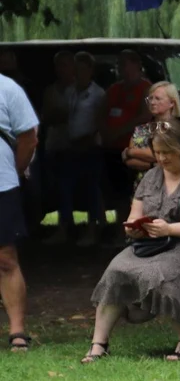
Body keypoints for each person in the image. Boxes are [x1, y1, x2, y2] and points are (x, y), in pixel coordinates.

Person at [82, 122, 180, 362]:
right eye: (157, 152)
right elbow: (134, 215)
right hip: (150, 244)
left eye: (167, 152)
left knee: (156, 274)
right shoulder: (151, 176)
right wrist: (135, 229)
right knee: (115, 269)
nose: (161, 158)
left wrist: (169, 228)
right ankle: (99, 344)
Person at [48, 51, 107, 246]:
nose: (79, 72)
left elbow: (101, 121)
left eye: (83, 68)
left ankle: (92, 230)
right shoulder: (70, 91)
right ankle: (65, 228)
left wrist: (90, 138)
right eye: (76, 68)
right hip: (70, 146)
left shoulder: (98, 93)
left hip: (90, 147)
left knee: (91, 188)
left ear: (90, 70)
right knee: (65, 187)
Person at [0, 74, 38, 352]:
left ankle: (17, 331)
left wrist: (14, 170)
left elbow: (28, 136)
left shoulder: (7, 87)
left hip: (1, 183)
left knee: (5, 258)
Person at [102, 50, 152, 218]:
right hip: (113, 148)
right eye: (119, 65)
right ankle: (120, 226)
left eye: (124, 64)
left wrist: (120, 131)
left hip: (136, 147)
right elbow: (103, 113)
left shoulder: (146, 88)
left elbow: (145, 116)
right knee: (117, 191)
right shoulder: (114, 89)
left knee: (133, 190)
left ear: (137, 65)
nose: (121, 68)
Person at [123, 81, 180, 189]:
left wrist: (131, 152)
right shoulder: (141, 129)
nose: (152, 102)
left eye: (158, 99)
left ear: (172, 103)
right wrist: (154, 163)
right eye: (151, 98)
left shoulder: (177, 130)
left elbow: (168, 157)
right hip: (141, 188)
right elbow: (128, 161)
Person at [41, 51, 76, 204]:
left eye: (64, 65)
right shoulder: (50, 90)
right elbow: (47, 117)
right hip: (54, 145)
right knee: (58, 185)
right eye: (58, 65)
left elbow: (78, 115)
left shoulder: (80, 89)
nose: (60, 69)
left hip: (76, 145)